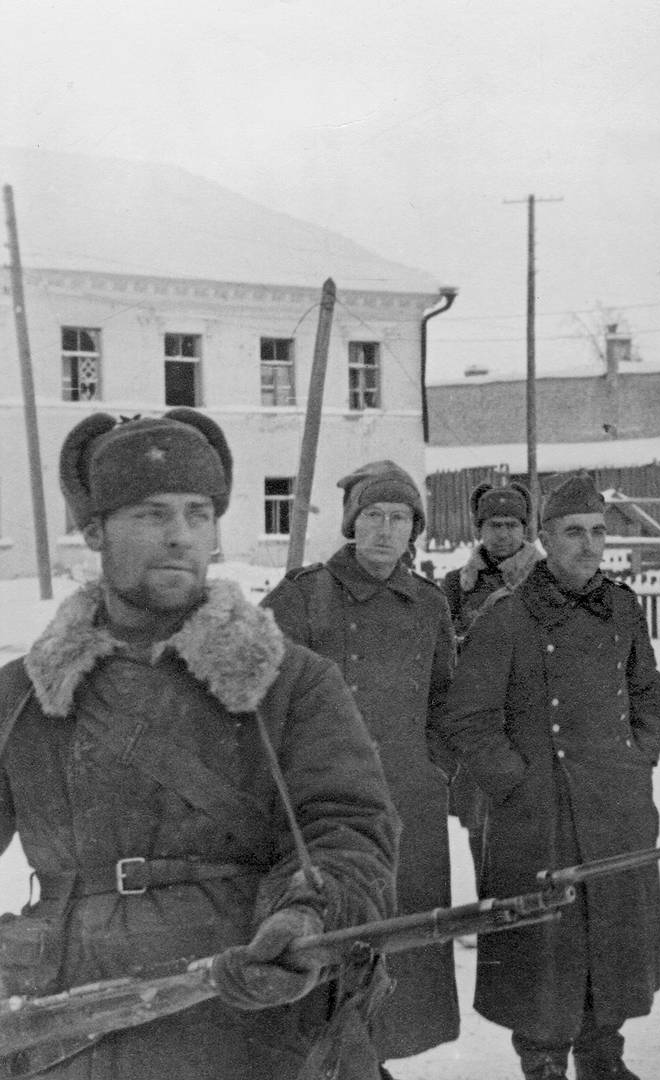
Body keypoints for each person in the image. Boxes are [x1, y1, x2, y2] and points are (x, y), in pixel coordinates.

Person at [0, 409, 398, 1079]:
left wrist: (306, 916)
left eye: (197, 513)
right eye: (150, 514)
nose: (179, 536)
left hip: (237, 1008)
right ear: (94, 531)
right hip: (70, 1023)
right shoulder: (22, 696)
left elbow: (348, 829)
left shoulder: (289, 679)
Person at [440, 474, 660, 1080]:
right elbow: (468, 717)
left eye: (597, 532)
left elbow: (648, 692)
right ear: (544, 538)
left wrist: (638, 757)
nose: (588, 545)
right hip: (538, 815)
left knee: (611, 935)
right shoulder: (507, 617)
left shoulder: (622, 605)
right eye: (573, 533)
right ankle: (542, 1063)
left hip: (615, 807)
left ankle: (603, 1057)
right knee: (545, 948)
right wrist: (517, 786)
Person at [262, 459, 459, 1076]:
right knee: (330, 942)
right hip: (325, 813)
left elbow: (445, 703)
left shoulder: (429, 604)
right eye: (373, 515)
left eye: (399, 518)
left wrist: (431, 768)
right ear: (352, 523)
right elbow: (259, 692)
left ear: (414, 529)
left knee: (401, 948)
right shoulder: (305, 595)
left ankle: (379, 1063)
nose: (385, 530)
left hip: (409, 809)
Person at [441, 480, 541, 643]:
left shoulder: (546, 578)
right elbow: (442, 646)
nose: (503, 534)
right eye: (495, 525)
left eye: (511, 525)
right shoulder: (456, 584)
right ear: (479, 530)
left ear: (524, 530)